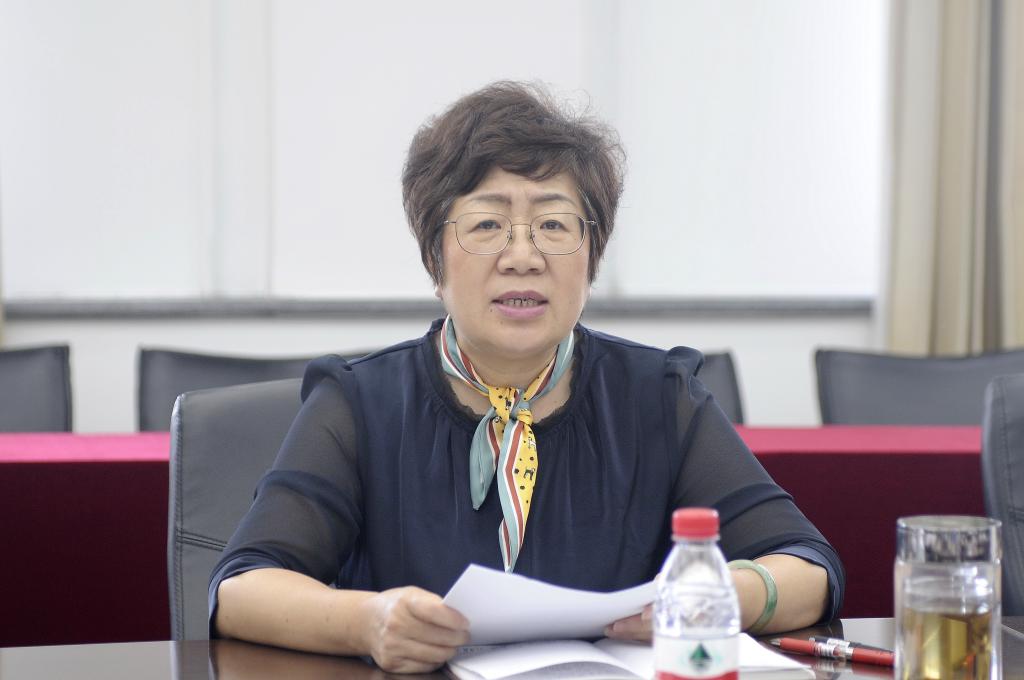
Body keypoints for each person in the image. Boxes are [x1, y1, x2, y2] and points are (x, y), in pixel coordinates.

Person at [210, 81, 844, 673]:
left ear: (591, 257)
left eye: (554, 225)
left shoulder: (659, 396)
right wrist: (366, 622)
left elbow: (809, 566)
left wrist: (716, 594)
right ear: (435, 258)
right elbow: (241, 587)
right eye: (487, 225)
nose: (523, 256)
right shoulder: (360, 402)